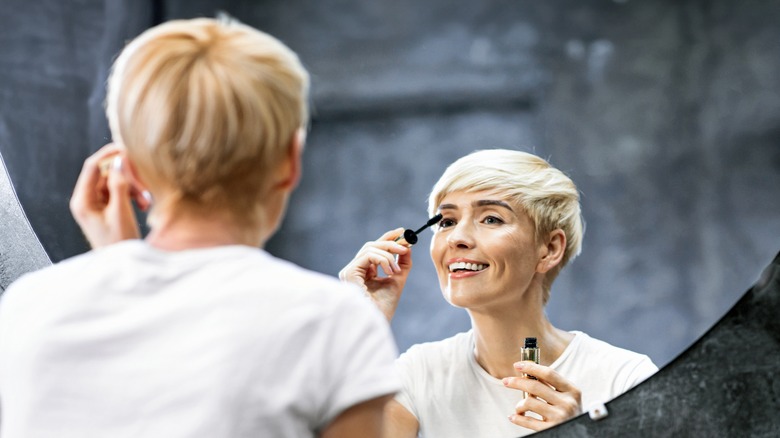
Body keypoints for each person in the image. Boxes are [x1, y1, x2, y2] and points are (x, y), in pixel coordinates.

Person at [0, 18, 400, 437]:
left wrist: (117, 264)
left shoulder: (29, 307)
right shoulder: (333, 322)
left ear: (127, 166)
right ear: (290, 162)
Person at [340, 148, 658, 437]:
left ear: (549, 248)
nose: (457, 238)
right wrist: (358, 327)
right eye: (447, 221)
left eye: (491, 218)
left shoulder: (626, 379)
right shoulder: (419, 374)